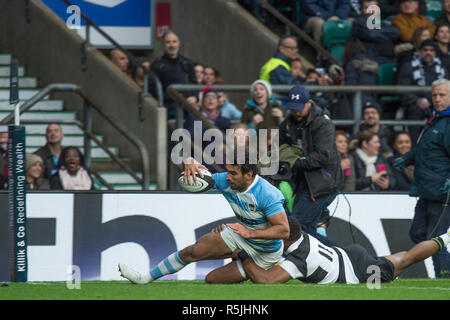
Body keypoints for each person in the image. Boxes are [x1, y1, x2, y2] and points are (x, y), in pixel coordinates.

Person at [118, 150, 290, 284]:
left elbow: (283, 231)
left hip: (266, 252)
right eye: (227, 171)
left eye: (233, 173)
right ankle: (143, 278)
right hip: (240, 237)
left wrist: (249, 233)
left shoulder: (267, 194)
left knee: (214, 278)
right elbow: (199, 178)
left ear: (249, 175)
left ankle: (272, 264)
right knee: (192, 253)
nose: (228, 177)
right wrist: (188, 161)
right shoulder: (226, 181)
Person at [216, 216, 450, 285]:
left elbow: (267, 281)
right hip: (349, 254)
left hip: (358, 272)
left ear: (285, 237)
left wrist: (245, 255)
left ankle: (446, 238)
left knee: (406, 260)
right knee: (397, 261)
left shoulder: (299, 259)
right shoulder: (299, 236)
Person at [393, 78, 450, 278]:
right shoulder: (435, 119)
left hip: (443, 192)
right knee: (417, 233)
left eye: (442, 95)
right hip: (426, 190)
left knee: (434, 238)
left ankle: (444, 276)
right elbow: (425, 149)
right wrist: (407, 159)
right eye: (434, 95)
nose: (437, 99)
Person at [278, 86, 342, 247]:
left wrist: (293, 162)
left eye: (300, 108)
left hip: (322, 183)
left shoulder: (322, 123)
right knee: (304, 229)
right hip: (303, 184)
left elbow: (322, 156)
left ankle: (343, 254)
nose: (296, 112)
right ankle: (335, 258)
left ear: (310, 103)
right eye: (293, 108)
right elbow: (279, 150)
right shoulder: (286, 124)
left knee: (297, 227)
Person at [396, 39, 447, 143]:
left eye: (431, 50)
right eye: (425, 50)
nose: (428, 52)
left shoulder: (442, 68)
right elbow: (401, 88)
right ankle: (415, 144)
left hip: (435, 102)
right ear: (419, 51)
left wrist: (429, 100)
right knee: (414, 111)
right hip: (414, 103)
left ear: (435, 53)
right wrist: (417, 100)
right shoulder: (408, 66)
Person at [150, 31, 197, 110]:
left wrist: (195, 97)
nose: (172, 45)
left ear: (179, 43)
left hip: (188, 105)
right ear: (163, 45)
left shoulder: (187, 62)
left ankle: (199, 123)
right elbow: (153, 89)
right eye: (168, 42)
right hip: (170, 108)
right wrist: (174, 96)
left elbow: (194, 83)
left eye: (174, 42)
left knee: (197, 119)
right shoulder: (157, 65)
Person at [342, 37, 379, 105]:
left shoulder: (352, 65)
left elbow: (350, 87)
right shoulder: (372, 64)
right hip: (372, 100)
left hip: (356, 102)